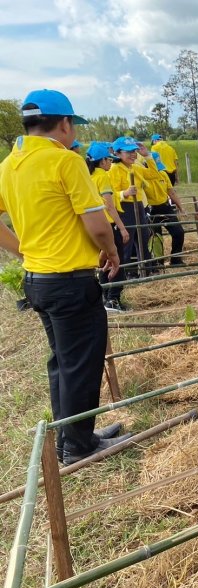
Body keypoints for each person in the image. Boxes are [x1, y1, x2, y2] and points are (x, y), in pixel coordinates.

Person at [0, 90, 131, 465]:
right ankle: (78, 446)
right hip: (70, 281)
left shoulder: (9, 165)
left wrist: (23, 250)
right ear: (64, 123)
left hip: (38, 280)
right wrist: (110, 250)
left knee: (63, 362)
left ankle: (70, 437)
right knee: (82, 363)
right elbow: (97, 225)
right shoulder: (65, 161)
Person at [85, 141, 130, 312]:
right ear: (102, 161)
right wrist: (122, 227)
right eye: (109, 160)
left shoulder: (87, 176)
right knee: (116, 260)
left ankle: (105, 296)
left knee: (103, 262)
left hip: (93, 225)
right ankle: (113, 299)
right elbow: (110, 206)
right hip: (109, 225)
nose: (110, 163)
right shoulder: (103, 177)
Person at [109, 137, 160, 273]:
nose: (133, 154)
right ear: (117, 153)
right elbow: (111, 194)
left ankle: (147, 271)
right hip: (124, 209)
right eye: (128, 152)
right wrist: (124, 193)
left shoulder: (135, 167)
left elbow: (154, 174)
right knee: (127, 242)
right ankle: (128, 273)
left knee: (144, 240)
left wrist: (147, 156)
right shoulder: (114, 169)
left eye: (134, 151)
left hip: (139, 206)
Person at [147, 151, 187, 265]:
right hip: (151, 210)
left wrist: (181, 207)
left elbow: (171, 192)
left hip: (165, 207)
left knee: (178, 232)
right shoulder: (143, 177)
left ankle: (176, 259)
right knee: (156, 237)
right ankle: (158, 263)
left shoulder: (163, 175)